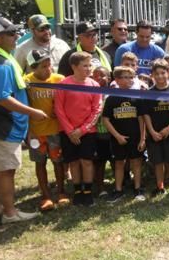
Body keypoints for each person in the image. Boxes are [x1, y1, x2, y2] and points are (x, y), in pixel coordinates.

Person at [0, 17, 46, 223]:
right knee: (6, 172)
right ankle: (9, 213)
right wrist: (32, 112)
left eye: (15, 32)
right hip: (3, 126)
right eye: (10, 33)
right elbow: (2, 98)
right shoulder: (0, 64)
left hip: (0, 126)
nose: (16, 36)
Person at [54, 51, 102, 206]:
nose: (89, 69)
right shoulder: (64, 84)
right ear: (74, 67)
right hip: (68, 133)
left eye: (90, 65)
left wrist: (82, 130)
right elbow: (59, 109)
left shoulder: (94, 85)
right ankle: (77, 191)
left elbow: (96, 110)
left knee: (86, 161)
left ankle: (87, 192)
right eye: (85, 66)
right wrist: (69, 131)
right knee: (73, 162)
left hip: (87, 132)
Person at [24, 50, 67, 211]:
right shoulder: (26, 83)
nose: (48, 69)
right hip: (36, 132)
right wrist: (28, 132)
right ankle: (45, 195)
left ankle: (61, 192)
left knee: (58, 161)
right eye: (43, 66)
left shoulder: (59, 79)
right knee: (40, 162)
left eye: (49, 65)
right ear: (33, 68)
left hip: (56, 130)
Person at [141, 60, 169, 198]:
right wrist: (152, 131)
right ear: (152, 75)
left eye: (163, 73)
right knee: (158, 161)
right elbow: (145, 113)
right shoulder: (149, 92)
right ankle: (159, 186)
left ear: (168, 72)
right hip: (155, 133)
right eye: (157, 74)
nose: (160, 76)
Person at [103, 66, 147, 202]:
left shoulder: (136, 96)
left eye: (131, 77)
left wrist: (142, 138)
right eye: (126, 77)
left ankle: (137, 188)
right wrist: (117, 136)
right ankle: (118, 190)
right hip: (118, 138)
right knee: (119, 163)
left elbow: (142, 119)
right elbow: (105, 119)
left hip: (135, 137)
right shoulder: (111, 98)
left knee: (136, 162)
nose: (130, 80)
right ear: (117, 79)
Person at [91, 66, 113, 199]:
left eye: (102, 75)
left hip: (112, 134)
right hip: (97, 135)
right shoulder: (90, 93)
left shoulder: (113, 94)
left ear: (109, 78)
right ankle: (100, 187)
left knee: (116, 161)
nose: (99, 78)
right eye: (95, 76)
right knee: (99, 162)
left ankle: (119, 185)